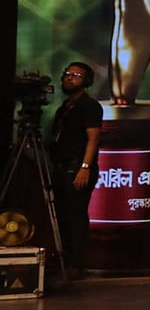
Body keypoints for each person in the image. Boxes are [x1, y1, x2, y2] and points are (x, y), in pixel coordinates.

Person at [48, 62, 103, 276]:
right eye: (67, 74)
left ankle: (76, 264)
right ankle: (62, 260)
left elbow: (93, 138)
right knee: (61, 215)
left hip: (77, 168)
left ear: (86, 81)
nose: (70, 78)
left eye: (76, 75)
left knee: (76, 216)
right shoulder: (65, 108)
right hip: (60, 168)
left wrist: (85, 167)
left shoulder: (89, 106)